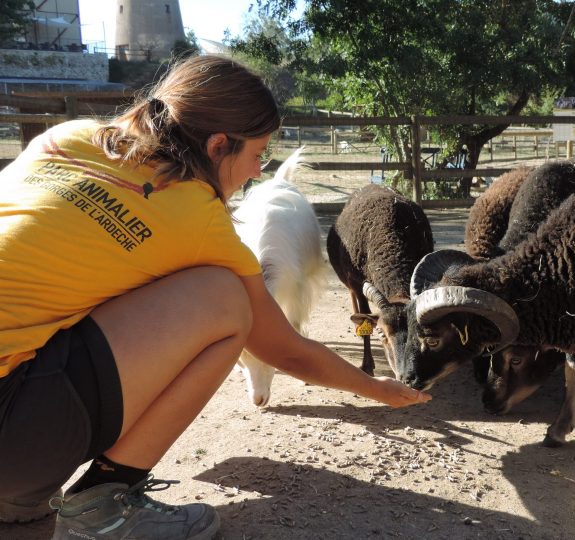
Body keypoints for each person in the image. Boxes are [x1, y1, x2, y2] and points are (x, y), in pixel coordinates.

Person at [0, 55, 431, 540]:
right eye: (256, 155)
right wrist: (379, 391)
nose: (255, 172)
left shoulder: (67, 136)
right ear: (218, 144)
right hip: (15, 433)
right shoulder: (202, 216)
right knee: (225, 301)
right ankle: (103, 504)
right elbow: (284, 349)